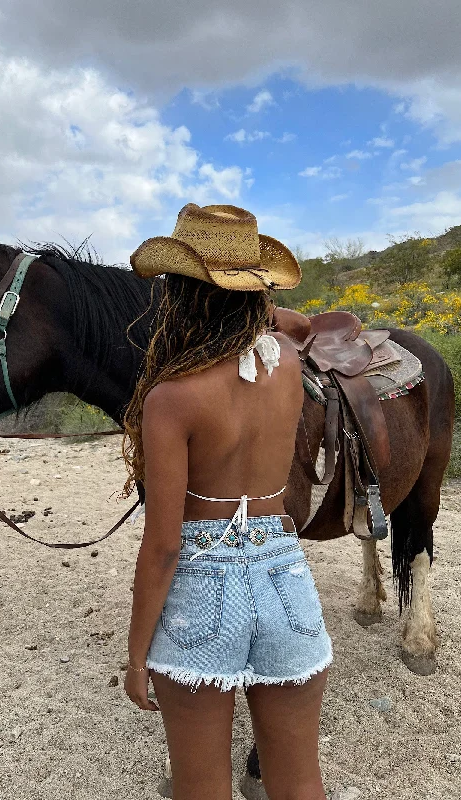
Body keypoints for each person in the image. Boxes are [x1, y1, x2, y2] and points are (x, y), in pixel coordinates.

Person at [122, 204, 332, 800]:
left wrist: (137, 655)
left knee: (200, 788)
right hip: (285, 575)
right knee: (299, 783)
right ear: (252, 291)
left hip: (202, 584)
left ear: (184, 296)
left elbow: (163, 546)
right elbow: (288, 325)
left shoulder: (172, 398)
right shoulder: (289, 367)